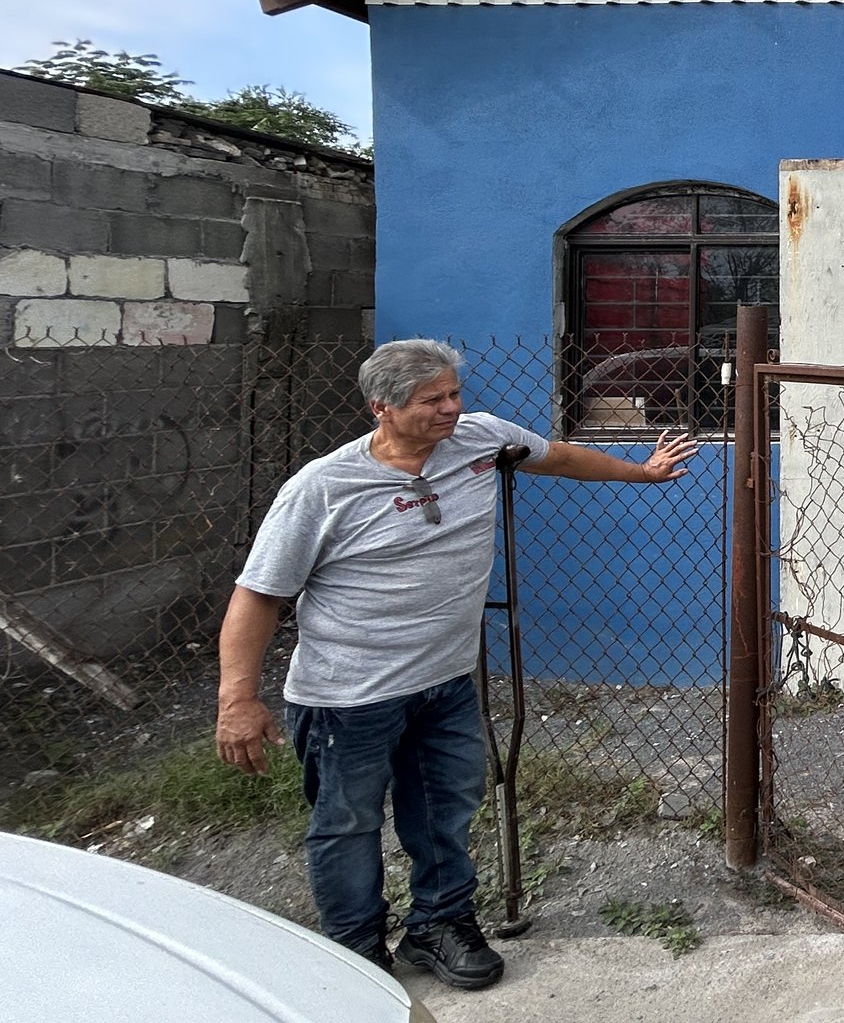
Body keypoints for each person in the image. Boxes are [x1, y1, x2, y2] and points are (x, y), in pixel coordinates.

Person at [214, 338, 699, 989]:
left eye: (453, 393)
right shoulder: (324, 487)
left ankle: (439, 926)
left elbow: (558, 456)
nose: (451, 408)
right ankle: (357, 958)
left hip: (444, 685)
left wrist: (639, 471)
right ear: (381, 408)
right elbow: (260, 594)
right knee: (347, 823)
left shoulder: (480, 440)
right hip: (346, 699)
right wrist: (236, 698)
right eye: (432, 399)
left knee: (445, 809)